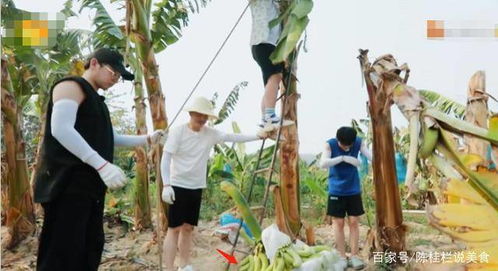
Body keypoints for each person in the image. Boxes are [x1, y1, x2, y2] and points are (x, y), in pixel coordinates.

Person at [34, 48, 164, 271]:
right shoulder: (71, 86)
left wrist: (148, 139)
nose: (115, 79)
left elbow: (109, 137)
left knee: (89, 248)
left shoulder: (97, 101)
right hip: (66, 185)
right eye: (113, 72)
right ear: (94, 63)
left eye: (119, 77)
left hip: (90, 188)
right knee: (63, 253)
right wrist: (101, 164)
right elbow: (61, 129)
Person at [160, 96, 267, 271]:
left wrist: (258, 136)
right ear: (192, 113)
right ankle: (170, 268)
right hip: (178, 185)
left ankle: (185, 265)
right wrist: (166, 185)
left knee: (188, 228)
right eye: (199, 115)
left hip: (196, 186)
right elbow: (166, 159)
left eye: (205, 116)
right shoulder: (178, 132)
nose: (202, 119)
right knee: (174, 229)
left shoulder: (210, 134)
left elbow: (232, 136)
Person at [319, 126, 372, 270]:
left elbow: (371, 157)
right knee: (339, 223)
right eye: (344, 145)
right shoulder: (330, 144)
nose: (347, 147)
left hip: (353, 189)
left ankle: (354, 256)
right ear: (338, 140)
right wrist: (343, 158)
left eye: (350, 145)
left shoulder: (358, 143)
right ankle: (342, 257)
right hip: (336, 190)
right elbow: (323, 163)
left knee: (354, 222)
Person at [249, 0, 293, 130]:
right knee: (275, 77)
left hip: (263, 44)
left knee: (272, 80)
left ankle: (266, 118)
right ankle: (269, 115)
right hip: (264, 42)